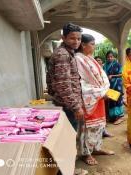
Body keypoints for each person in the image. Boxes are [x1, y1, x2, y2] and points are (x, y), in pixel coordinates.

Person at [46, 23, 88, 175]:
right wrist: (76, 107)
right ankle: (66, 171)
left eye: (78, 38)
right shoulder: (63, 55)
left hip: (65, 104)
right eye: (72, 38)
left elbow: (58, 84)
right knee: (67, 140)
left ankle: (65, 170)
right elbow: (64, 86)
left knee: (66, 139)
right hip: (68, 107)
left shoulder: (66, 52)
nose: (76, 41)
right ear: (63, 37)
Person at [75, 34, 115, 166]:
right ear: (83, 45)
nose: (94, 46)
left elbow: (101, 77)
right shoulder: (78, 59)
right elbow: (80, 83)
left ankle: (96, 148)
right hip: (90, 98)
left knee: (99, 125)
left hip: (98, 97)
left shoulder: (89, 58)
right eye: (92, 44)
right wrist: (100, 92)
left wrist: (104, 91)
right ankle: (86, 153)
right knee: (87, 128)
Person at [94, 56, 114, 138]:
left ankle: (104, 131)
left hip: (105, 94)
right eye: (97, 60)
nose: (98, 62)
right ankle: (98, 132)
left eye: (100, 60)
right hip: (96, 95)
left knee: (104, 113)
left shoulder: (103, 69)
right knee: (97, 115)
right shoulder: (92, 70)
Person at [103, 51, 125, 125]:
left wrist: (112, 76)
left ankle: (119, 116)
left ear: (114, 57)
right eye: (108, 57)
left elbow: (121, 74)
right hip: (109, 85)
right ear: (106, 57)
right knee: (111, 100)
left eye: (111, 56)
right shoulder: (105, 66)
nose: (110, 58)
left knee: (117, 100)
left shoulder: (117, 64)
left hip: (117, 85)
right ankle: (113, 117)